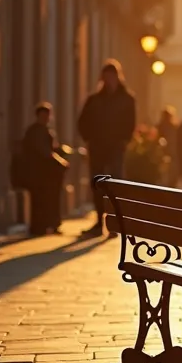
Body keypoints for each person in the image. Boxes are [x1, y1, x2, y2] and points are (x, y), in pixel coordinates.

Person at [78, 59, 137, 237]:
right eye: (107, 76)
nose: (109, 80)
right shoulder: (94, 100)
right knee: (97, 185)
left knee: (113, 186)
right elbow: (82, 121)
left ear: (118, 77)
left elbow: (130, 123)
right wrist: (89, 138)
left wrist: (124, 140)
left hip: (115, 149)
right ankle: (98, 222)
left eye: (112, 76)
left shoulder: (126, 99)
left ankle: (112, 223)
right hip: (97, 147)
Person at [21, 103, 68, 236]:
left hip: (46, 173)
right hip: (38, 172)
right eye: (43, 115)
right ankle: (38, 227)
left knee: (47, 199)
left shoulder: (46, 130)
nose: (46, 118)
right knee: (40, 200)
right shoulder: (35, 131)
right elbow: (44, 151)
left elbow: (52, 149)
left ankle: (47, 225)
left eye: (48, 115)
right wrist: (60, 161)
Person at [156, 106, 179, 187]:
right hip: (163, 155)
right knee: (165, 177)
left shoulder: (175, 127)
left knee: (172, 177)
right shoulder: (160, 127)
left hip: (172, 154)